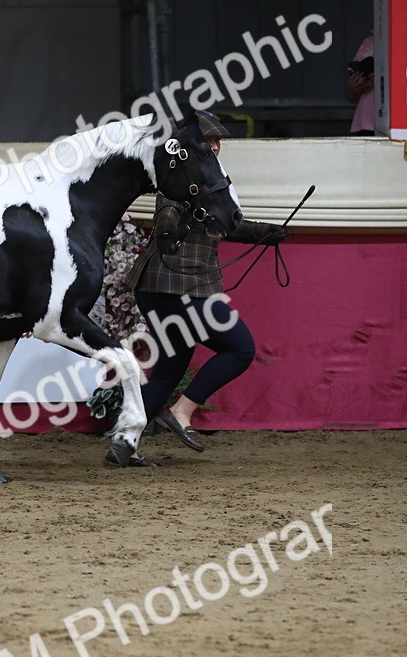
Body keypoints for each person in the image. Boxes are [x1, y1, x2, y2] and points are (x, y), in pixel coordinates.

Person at [113, 111, 286, 467]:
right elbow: (168, 209)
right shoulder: (184, 171)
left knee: (169, 370)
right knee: (240, 348)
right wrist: (166, 232)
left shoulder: (212, 178)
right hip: (180, 285)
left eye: (217, 140)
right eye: (208, 141)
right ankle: (181, 413)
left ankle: (125, 442)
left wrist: (266, 233)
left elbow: (229, 224)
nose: (215, 146)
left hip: (161, 287)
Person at [347, 35, 377, 136]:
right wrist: (357, 85)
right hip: (366, 122)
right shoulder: (370, 42)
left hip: (399, 120)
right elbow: (352, 97)